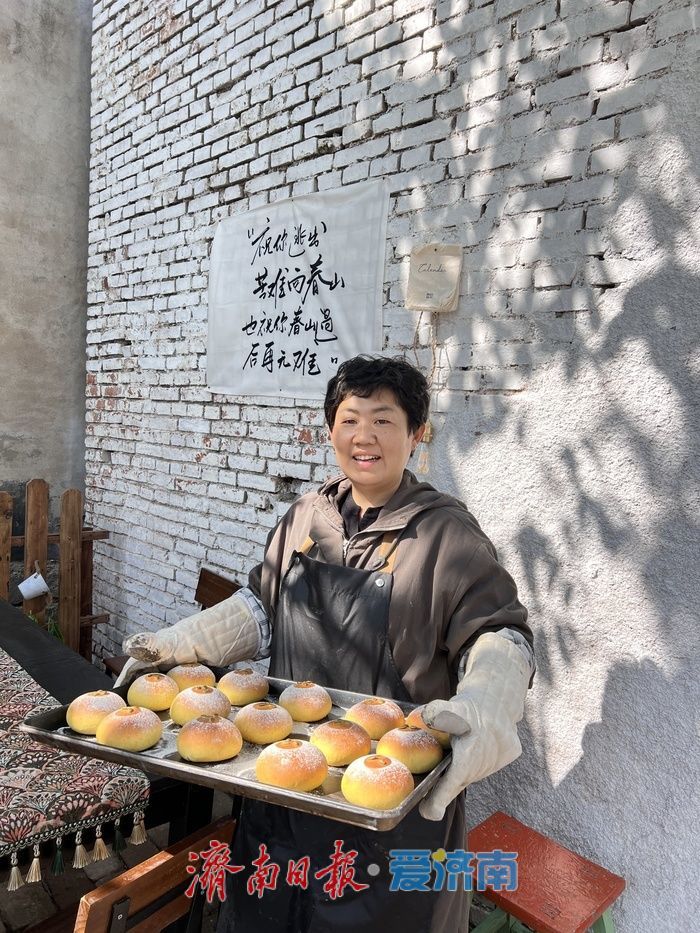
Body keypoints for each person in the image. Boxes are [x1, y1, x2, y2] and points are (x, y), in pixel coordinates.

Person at [118, 355, 534, 933]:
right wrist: (179, 643)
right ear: (330, 430)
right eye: (350, 419)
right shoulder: (306, 518)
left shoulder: (446, 535)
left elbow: (499, 633)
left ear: (417, 434)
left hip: (387, 809)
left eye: (384, 421)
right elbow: (261, 608)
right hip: (287, 786)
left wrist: (488, 703)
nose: (364, 437)